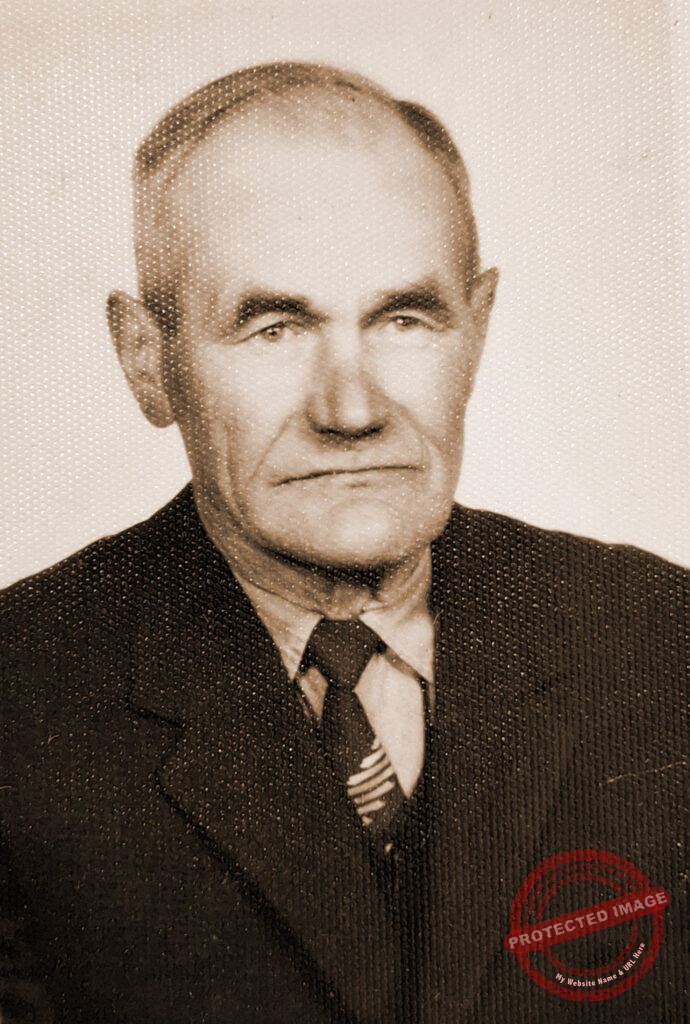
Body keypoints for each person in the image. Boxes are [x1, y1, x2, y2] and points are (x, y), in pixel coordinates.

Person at [1, 62, 686, 1024]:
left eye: (405, 319)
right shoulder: (19, 701)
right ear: (146, 361)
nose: (352, 409)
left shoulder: (661, 640)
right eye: (274, 329)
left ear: (477, 330)